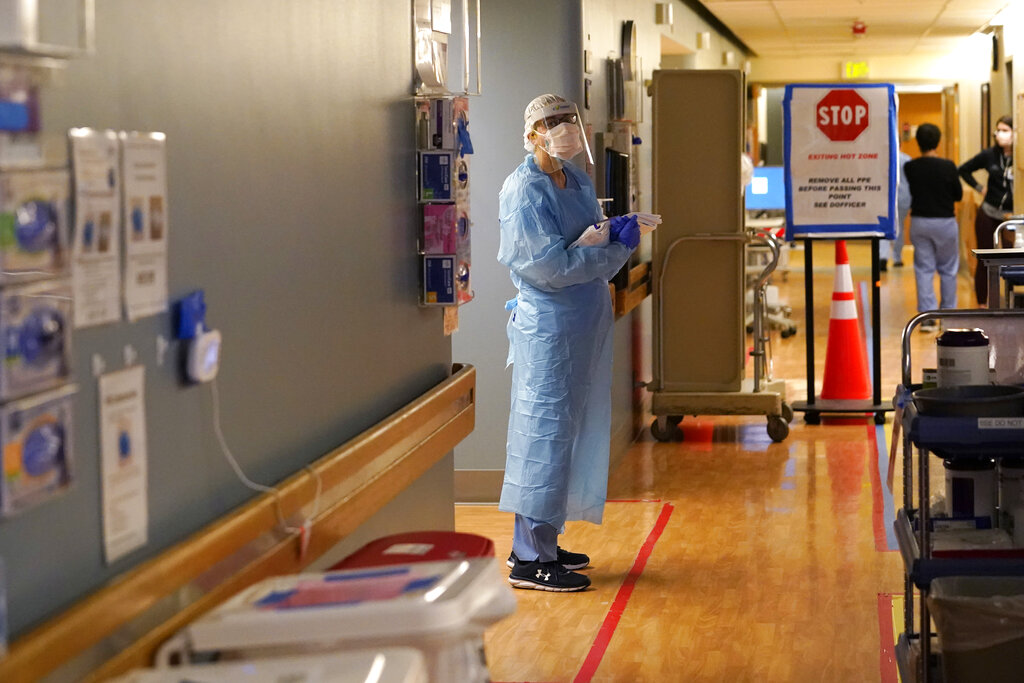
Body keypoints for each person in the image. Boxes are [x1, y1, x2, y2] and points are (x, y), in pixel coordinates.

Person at [497, 94, 639, 592]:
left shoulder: (574, 179)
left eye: (570, 120)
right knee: (543, 436)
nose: (566, 130)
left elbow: (583, 236)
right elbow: (547, 266)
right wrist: (615, 251)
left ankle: (545, 542)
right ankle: (528, 559)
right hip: (550, 328)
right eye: (554, 123)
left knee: (571, 435)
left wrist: (613, 231)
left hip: (582, 322)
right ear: (533, 131)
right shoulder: (523, 191)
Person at [903, 123, 963, 329]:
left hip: (920, 222)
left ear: (918, 142)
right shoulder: (948, 166)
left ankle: (927, 318)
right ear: (937, 142)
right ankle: (947, 317)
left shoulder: (910, 167)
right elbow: (958, 195)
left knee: (924, 269)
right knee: (948, 269)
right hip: (945, 222)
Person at [958, 114, 1015, 305]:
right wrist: (980, 188)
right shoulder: (989, 155)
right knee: (985, 259)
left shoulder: (1019, 156)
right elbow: (964, 169)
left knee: (1012, 261)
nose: (1000, 134)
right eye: (998, 130)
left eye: (1005, 130)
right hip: (988, 212)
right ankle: (982, 302)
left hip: (1011, 218)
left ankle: (1009, 301)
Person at [881, 151, 912, 270]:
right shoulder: (906, 159)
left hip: (886, 197)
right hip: (903, 198)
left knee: (884, 227)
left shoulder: (883, 156)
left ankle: (882, 257)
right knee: (899, 227)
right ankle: (897, 258)